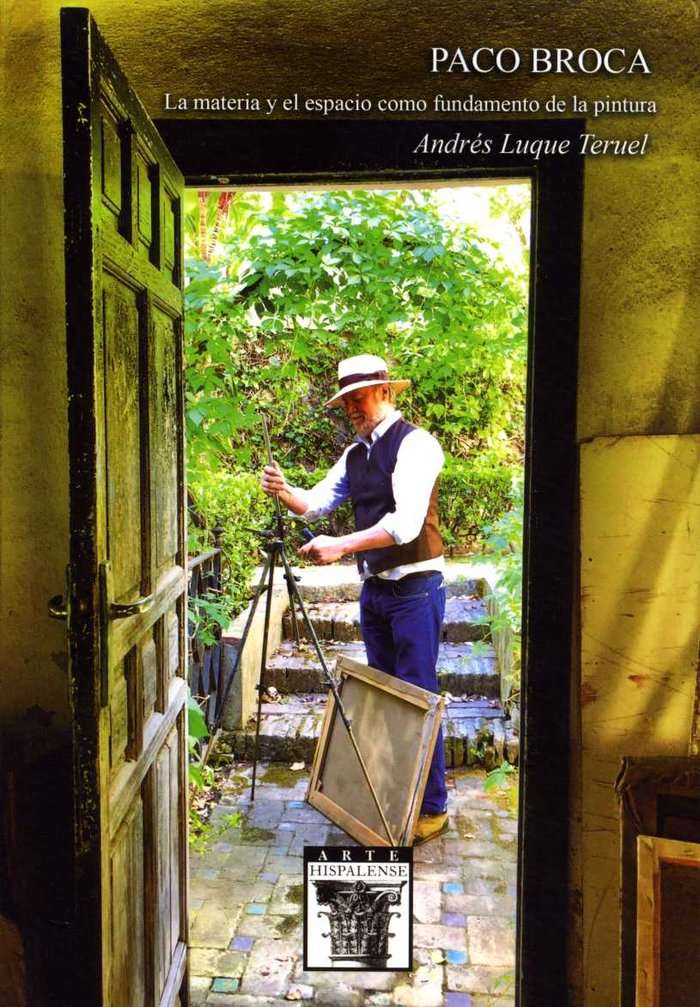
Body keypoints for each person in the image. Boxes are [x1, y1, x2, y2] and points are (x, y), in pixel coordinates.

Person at [261, 353, 448, 845]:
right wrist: (284, 492)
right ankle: (390, 799)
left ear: (385, 392)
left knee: (418, 696)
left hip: (415, 589)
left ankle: (433, 806)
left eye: (359, 398)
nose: (352, 409)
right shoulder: (355, 454)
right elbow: (317, 503)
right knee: (385, 701)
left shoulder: (417, 445)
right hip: (377, 593)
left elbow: (406, 525)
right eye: (347, 402)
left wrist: (341, 545)